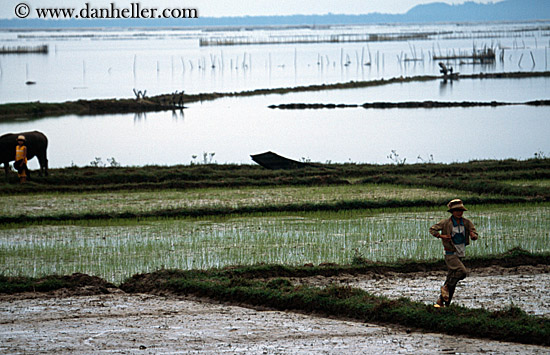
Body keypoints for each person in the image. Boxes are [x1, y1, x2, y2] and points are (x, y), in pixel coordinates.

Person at [429, 199, 479, 308]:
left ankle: (443, 303)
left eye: (461, 210)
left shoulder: (466, 222)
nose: (459, 213)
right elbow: (432, 229)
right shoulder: (445, 223)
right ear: (452, 211)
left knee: (452, 277)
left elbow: (474, 232)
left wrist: (473, 235)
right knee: (462, 272)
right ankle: (446, 287)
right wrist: (442, 236)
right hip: (450, 253)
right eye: (457, 210)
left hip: (460, 252)